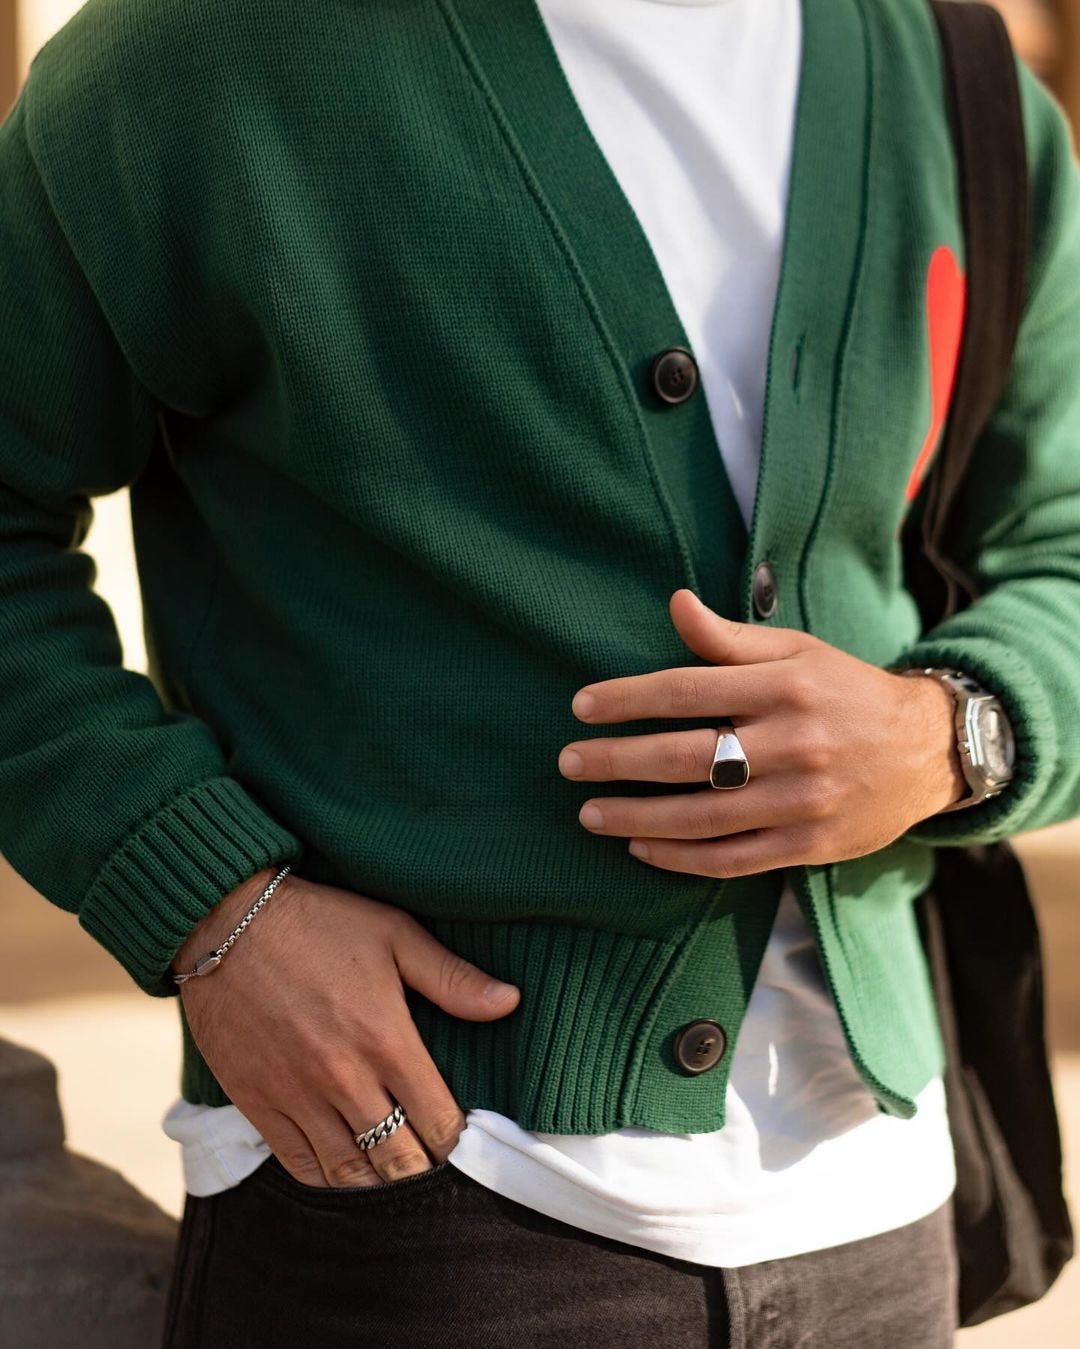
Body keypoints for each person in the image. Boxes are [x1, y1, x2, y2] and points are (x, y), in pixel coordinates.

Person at [2, 0, 1079, 1344]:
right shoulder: (200, 58)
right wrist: (206, 900)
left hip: (879, 1219)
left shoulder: (949, 71)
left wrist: (951, 730)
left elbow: (1061, 550)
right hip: (404, 1193)